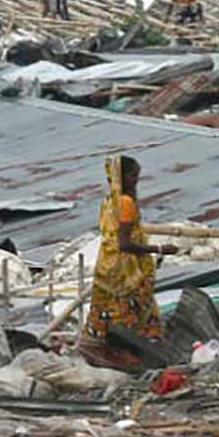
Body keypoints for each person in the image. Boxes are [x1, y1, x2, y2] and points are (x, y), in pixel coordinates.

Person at [80, 155, 175, 366]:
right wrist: (160, 248)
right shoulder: (125, 203)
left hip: (107, 264)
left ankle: (102, 348)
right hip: (125, 270)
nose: (136, 181)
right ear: (122, 177)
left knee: (105, 308)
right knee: (131, 309)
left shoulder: (109, 201)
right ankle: (128, 353)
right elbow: (124, 244)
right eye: (133, 176)